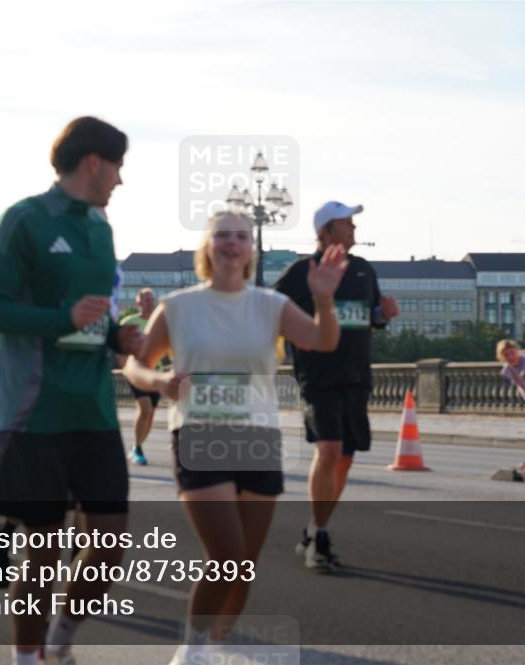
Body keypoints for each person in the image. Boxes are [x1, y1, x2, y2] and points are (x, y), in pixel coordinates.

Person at [124, 210, 346, 665]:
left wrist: (324, 299)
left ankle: (214, 644)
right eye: (222, 235)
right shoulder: (179, 306)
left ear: (251, 249)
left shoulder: (270, 304)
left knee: (243, 564)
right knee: (225, 554)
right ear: (207, 247)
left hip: (257, 437)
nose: (231, 243)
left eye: (241, 237)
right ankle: (193, 650)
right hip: (199, 433)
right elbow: (134, 364)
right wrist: (160, 382)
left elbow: (323, 342)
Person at [0, 116, 142, 665]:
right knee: (43, 551)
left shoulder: (100, 228)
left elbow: (95, 312)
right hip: (34, 409)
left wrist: (119, 334)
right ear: (93, 162)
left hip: (92, 408)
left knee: (110, 545)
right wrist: (60, 317)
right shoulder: (23, 220)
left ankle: (59, 640)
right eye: (117, 167)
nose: (120, 180)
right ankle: (28, 658)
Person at [274, 201, 398, 571]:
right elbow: (272, 311)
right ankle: (322, 537)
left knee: (344, 457)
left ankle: (315, 528)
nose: (354, 229)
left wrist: (383, 314)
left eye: (353, 223)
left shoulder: (362, 270)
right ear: (325, 231)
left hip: (356, 376)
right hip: (318, 376)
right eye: (346, 223)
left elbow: (370, 316)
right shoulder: (300, 271)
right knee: (328, 450)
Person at [119, 288, 160, 465]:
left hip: (155, 373)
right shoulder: (129, 322)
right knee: (145, 408)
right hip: (135, 372)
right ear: (139, 303)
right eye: (146, 300)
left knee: (150, 414)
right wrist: (125, 368)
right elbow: (119, 348)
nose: (150, 302)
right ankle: (137, 447)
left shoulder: (159, 322)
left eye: (152, 299)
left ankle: (138, 445)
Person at [497, 339, 525, 403]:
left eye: (512, 352)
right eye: (506, 355)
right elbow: (522, 385)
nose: (510, 357)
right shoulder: (507, 369)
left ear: (517, 351)